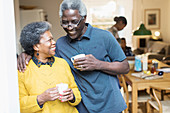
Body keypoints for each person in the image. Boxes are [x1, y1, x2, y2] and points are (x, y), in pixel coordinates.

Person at [17, 0, 130, 113]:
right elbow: (43, 54)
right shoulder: (60, 44)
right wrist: (27, 53)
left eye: (74, 22)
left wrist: (98, 64)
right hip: (83, 107)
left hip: (109, 104)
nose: (70, 27)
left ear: (84, 18)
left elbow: (125, 67)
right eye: (65, 22)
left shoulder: (105, 36)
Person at [18, 21, 81, 113]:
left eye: (53, 39)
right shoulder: (23, 70)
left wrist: (72, 96)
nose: (54, 42)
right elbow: (19, 105)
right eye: (49, 40)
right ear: (36, 46)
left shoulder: (62, 63)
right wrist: (40, 99)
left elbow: (76, 92)